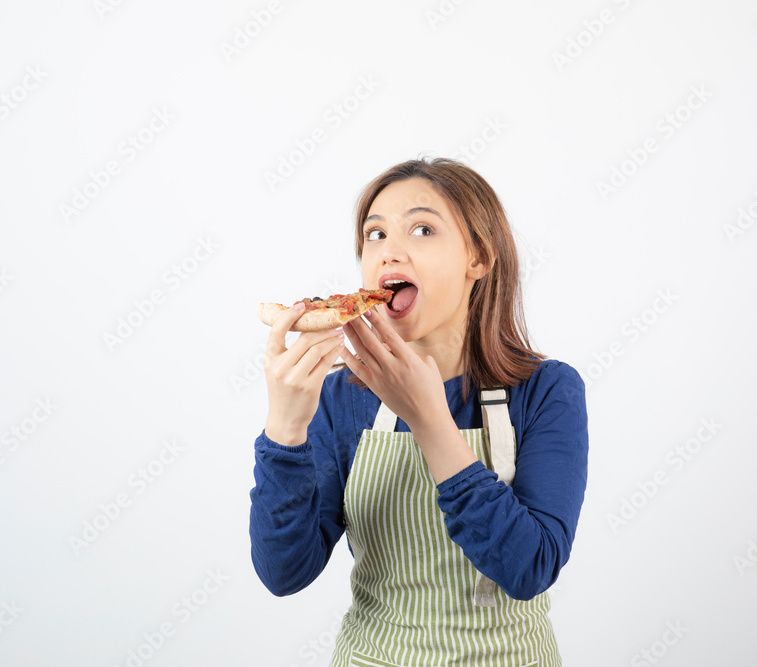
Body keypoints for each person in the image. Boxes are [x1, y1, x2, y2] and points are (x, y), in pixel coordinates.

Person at [249, 157, 589, 666]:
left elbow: (530, 569)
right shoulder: (344, 397)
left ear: (478, 257)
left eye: (423, 229)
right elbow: (284, 573)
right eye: (375, 235)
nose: (390, 252)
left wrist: (430, 420)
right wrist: (285, 429)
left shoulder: (546, 390)